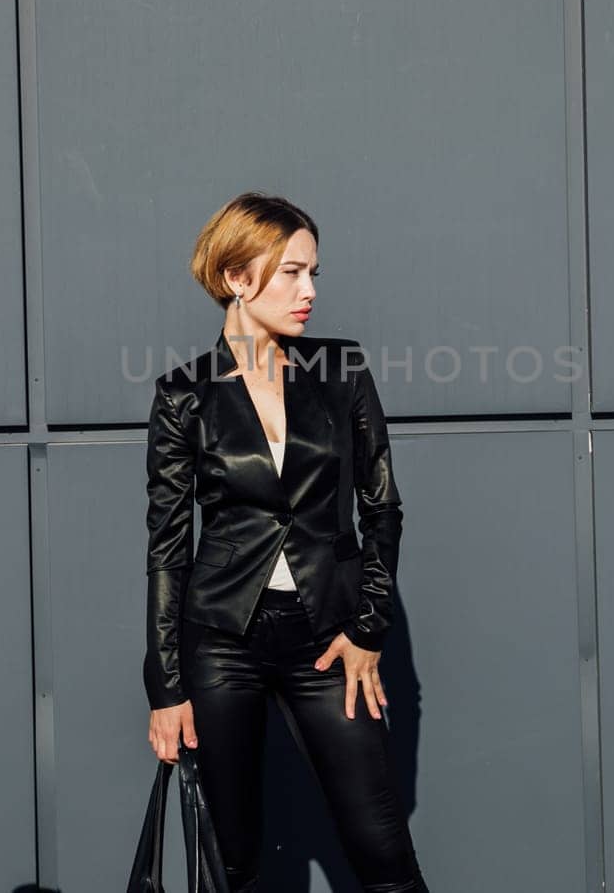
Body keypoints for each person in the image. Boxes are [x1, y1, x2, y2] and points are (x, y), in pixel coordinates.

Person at [142, 192, 430, 892]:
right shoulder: (186, 395)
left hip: (325, 636)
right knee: (233, 862)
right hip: (220, 642)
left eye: (314, 273)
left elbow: (381, 505)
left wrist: (367, 629)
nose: (309, 291)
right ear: (239, 278)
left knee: (383, 848)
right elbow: (168, 547)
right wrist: (166, 683)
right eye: (292, 272)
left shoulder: (341, 371)